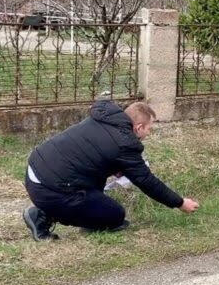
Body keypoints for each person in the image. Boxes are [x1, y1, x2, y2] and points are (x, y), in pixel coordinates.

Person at [22, 100, 200, 241]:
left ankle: (61, 211)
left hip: (36, 169)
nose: (149, 134)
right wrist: (179, 203)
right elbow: (147, 182)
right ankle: (42, 216)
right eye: (149, 129)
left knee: (97, 194)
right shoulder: (125, 144)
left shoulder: (104, 118)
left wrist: (114, 167)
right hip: (49, 188)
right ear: (138, 127)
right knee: (115, 216)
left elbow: (91, 155)